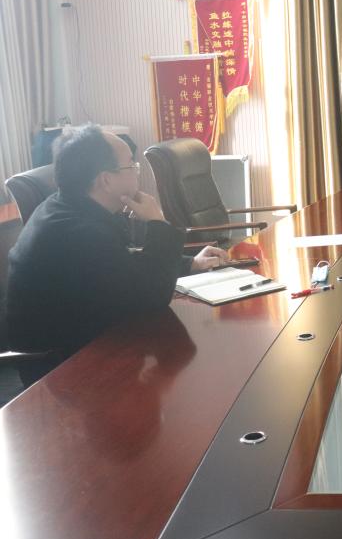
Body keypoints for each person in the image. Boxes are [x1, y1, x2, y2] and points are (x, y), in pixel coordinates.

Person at [5, 125, 228, 382]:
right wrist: (157, 223)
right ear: (106, 180)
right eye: (131, 165)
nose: (136, 171)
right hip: (63, 370)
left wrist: (191, 264)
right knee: (186, 362)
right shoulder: (78, 232)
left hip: (92, 340)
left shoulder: (68, 208)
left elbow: (123, 268)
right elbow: (152, 296)